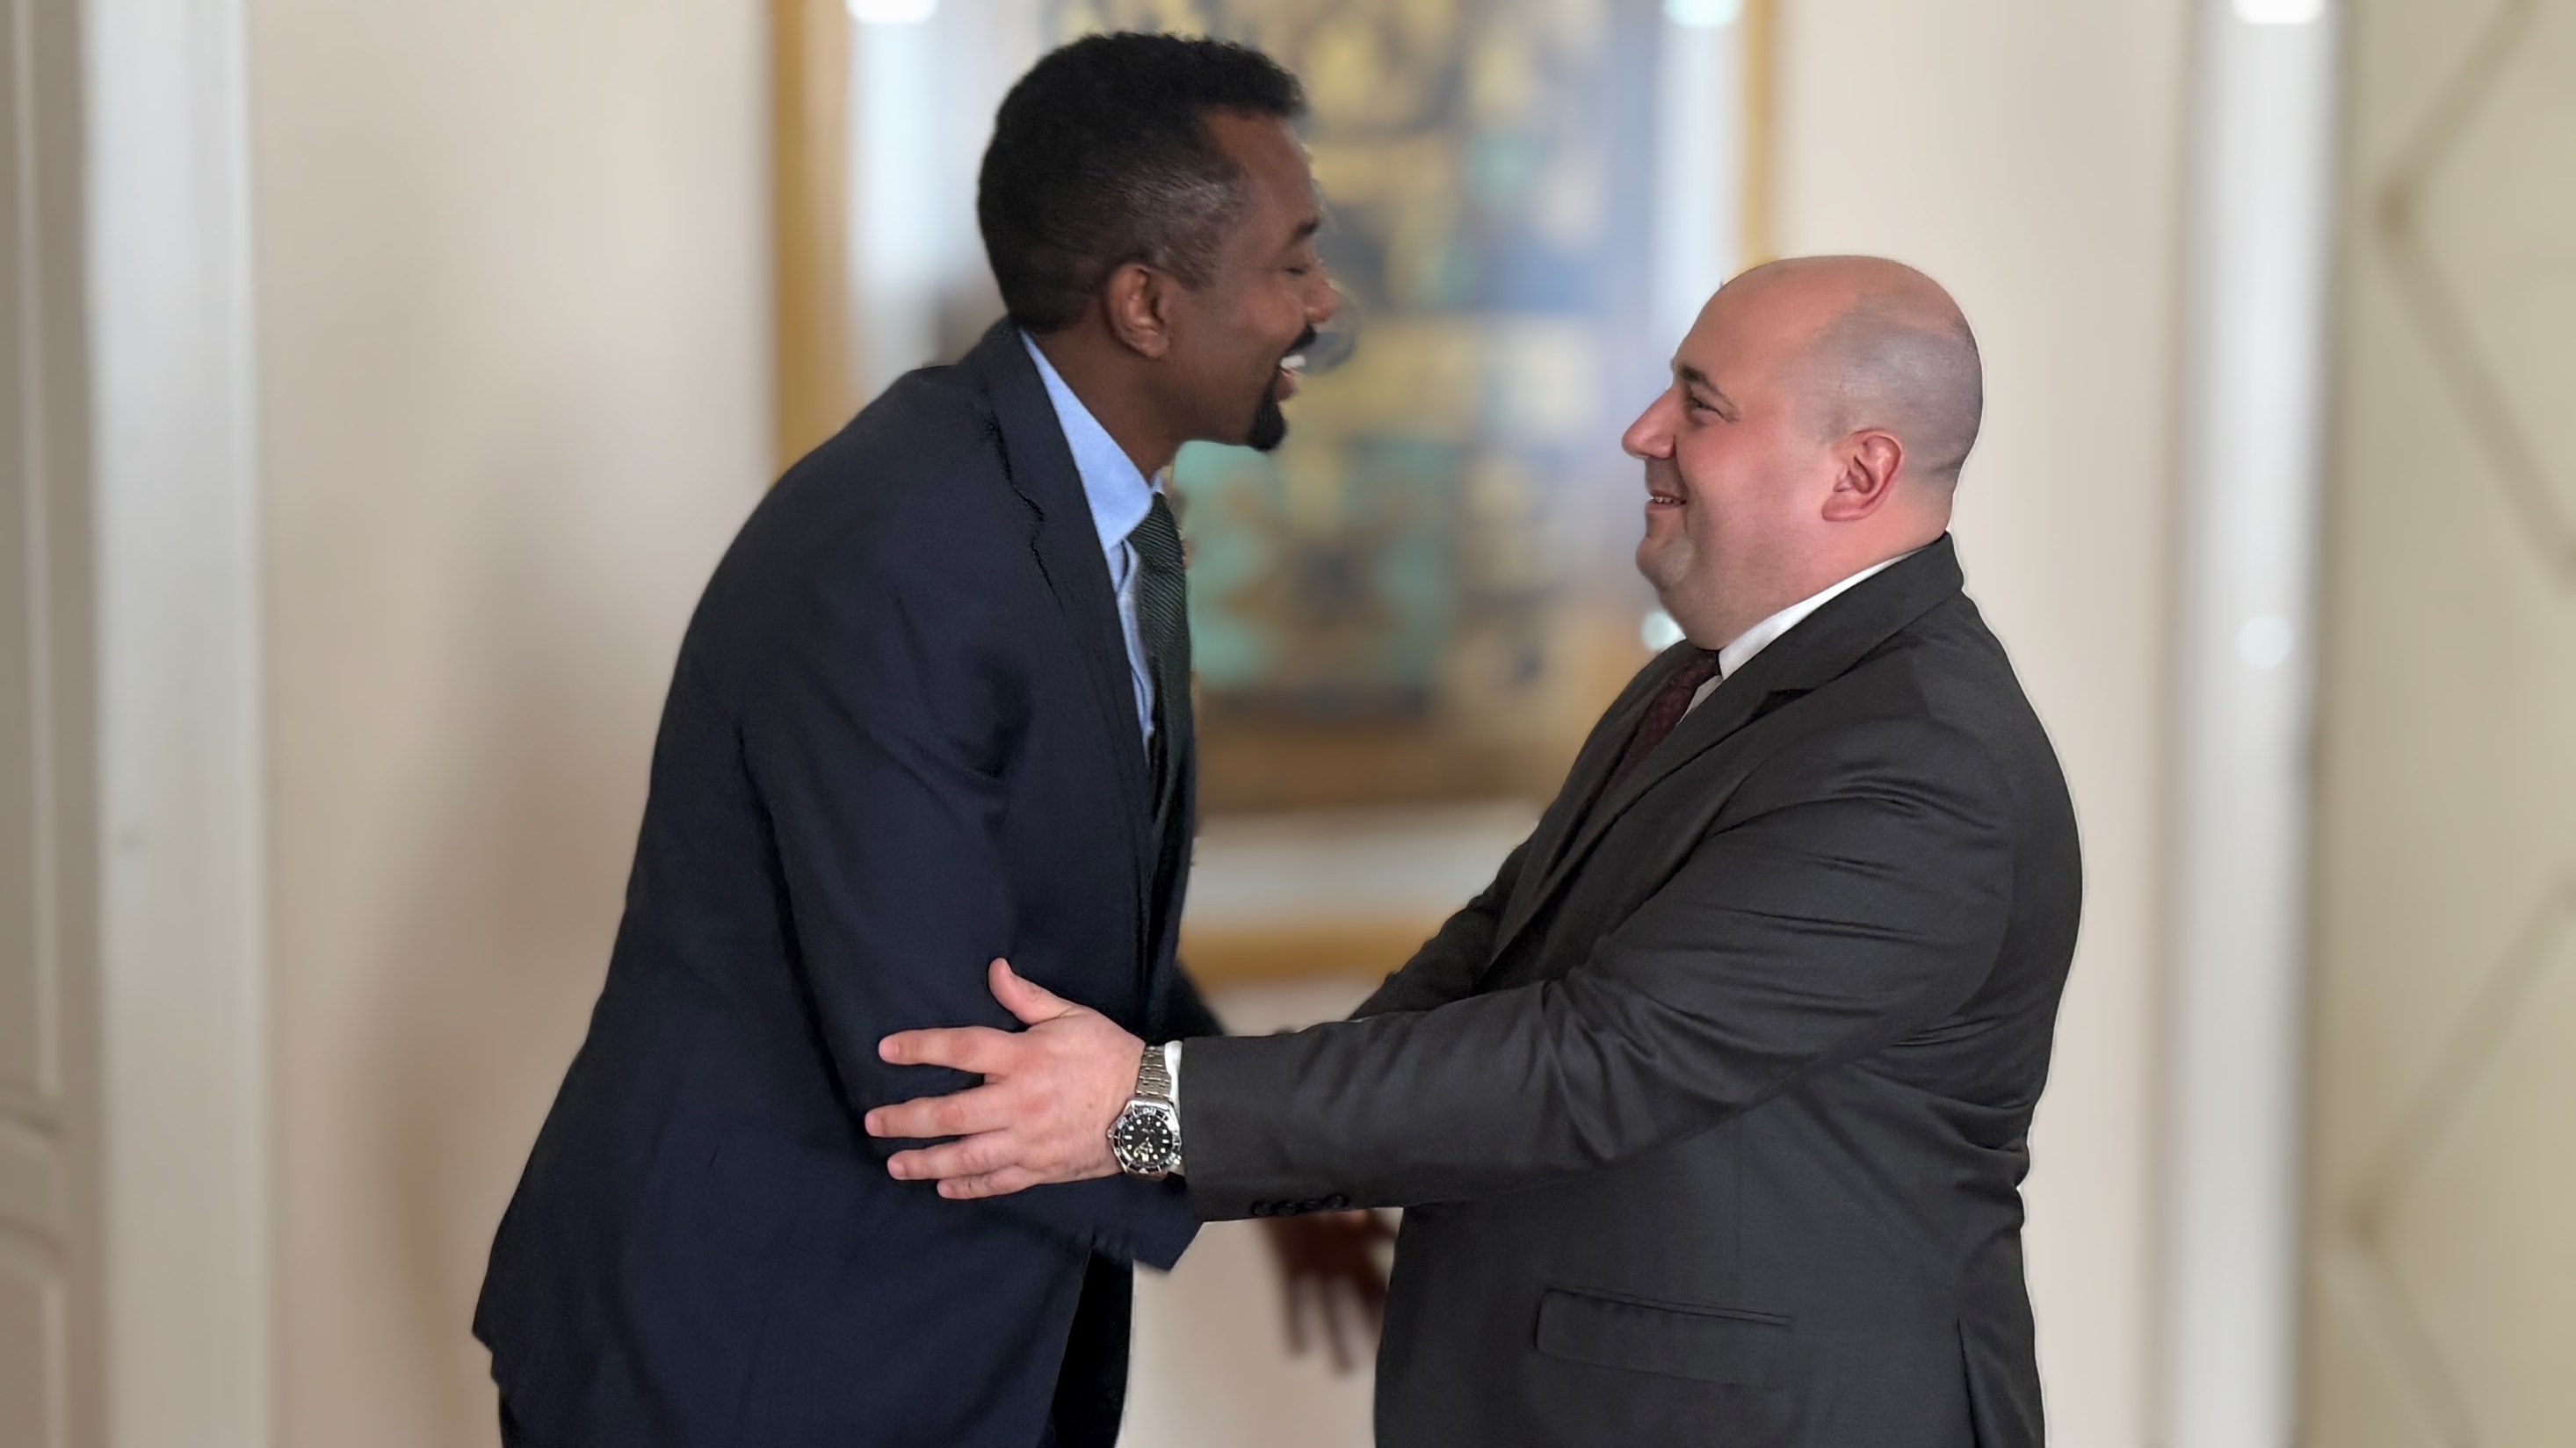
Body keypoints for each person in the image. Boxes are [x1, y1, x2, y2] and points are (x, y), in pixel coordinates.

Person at [865, 256, 2083, 1448]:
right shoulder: (1705, 680)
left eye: (1701, 405)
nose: (1643, 432)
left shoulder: (1921, 765)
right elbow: (1489, 967)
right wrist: (1156, 1115)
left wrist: (1147, 1109)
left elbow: (1595, 1060)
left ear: (1858, 474)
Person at [470, 33, 1337, 1448]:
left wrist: (1270, 1163)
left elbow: (1072, 934)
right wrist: (1268, 1144)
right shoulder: (907, 547)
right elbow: (942, 1064)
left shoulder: (1087, 514)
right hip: (753, 1367)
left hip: (925, 1340)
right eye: (1292, 262)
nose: (1321, 302)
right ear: (1145, 305)